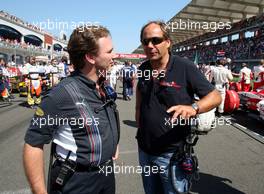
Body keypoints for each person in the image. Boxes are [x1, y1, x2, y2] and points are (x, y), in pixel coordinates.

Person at [23, 25, 120, 194]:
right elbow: (33, 143)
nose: (114, 55)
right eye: (109, 51)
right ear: (90, 57)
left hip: (106, 174)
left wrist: (112, 143)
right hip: (77, 181)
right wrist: (39, 191)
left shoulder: (102, 84)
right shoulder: (61, 94)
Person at [135, 20, 221, 194]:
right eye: (145, 42)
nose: (150, 45)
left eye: (156, 40)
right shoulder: (143, 68)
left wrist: (194, 107)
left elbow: (215, 96)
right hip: (145, 150)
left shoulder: (184, 67)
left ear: (168, 42)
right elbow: (139, 104)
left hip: (172, 155)